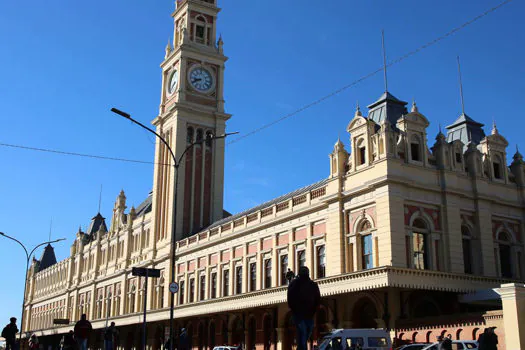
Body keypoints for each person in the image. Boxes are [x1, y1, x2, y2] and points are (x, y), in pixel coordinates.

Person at [287, 266, 321, 350]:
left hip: (308, 314)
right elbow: (290, 297)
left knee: (306, 333)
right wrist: (294, 310)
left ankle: (301, 348)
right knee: (303, 333)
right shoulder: (295, 284)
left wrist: (313, 310)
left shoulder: (312, 284)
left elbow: (317, 298)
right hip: (300, 314)